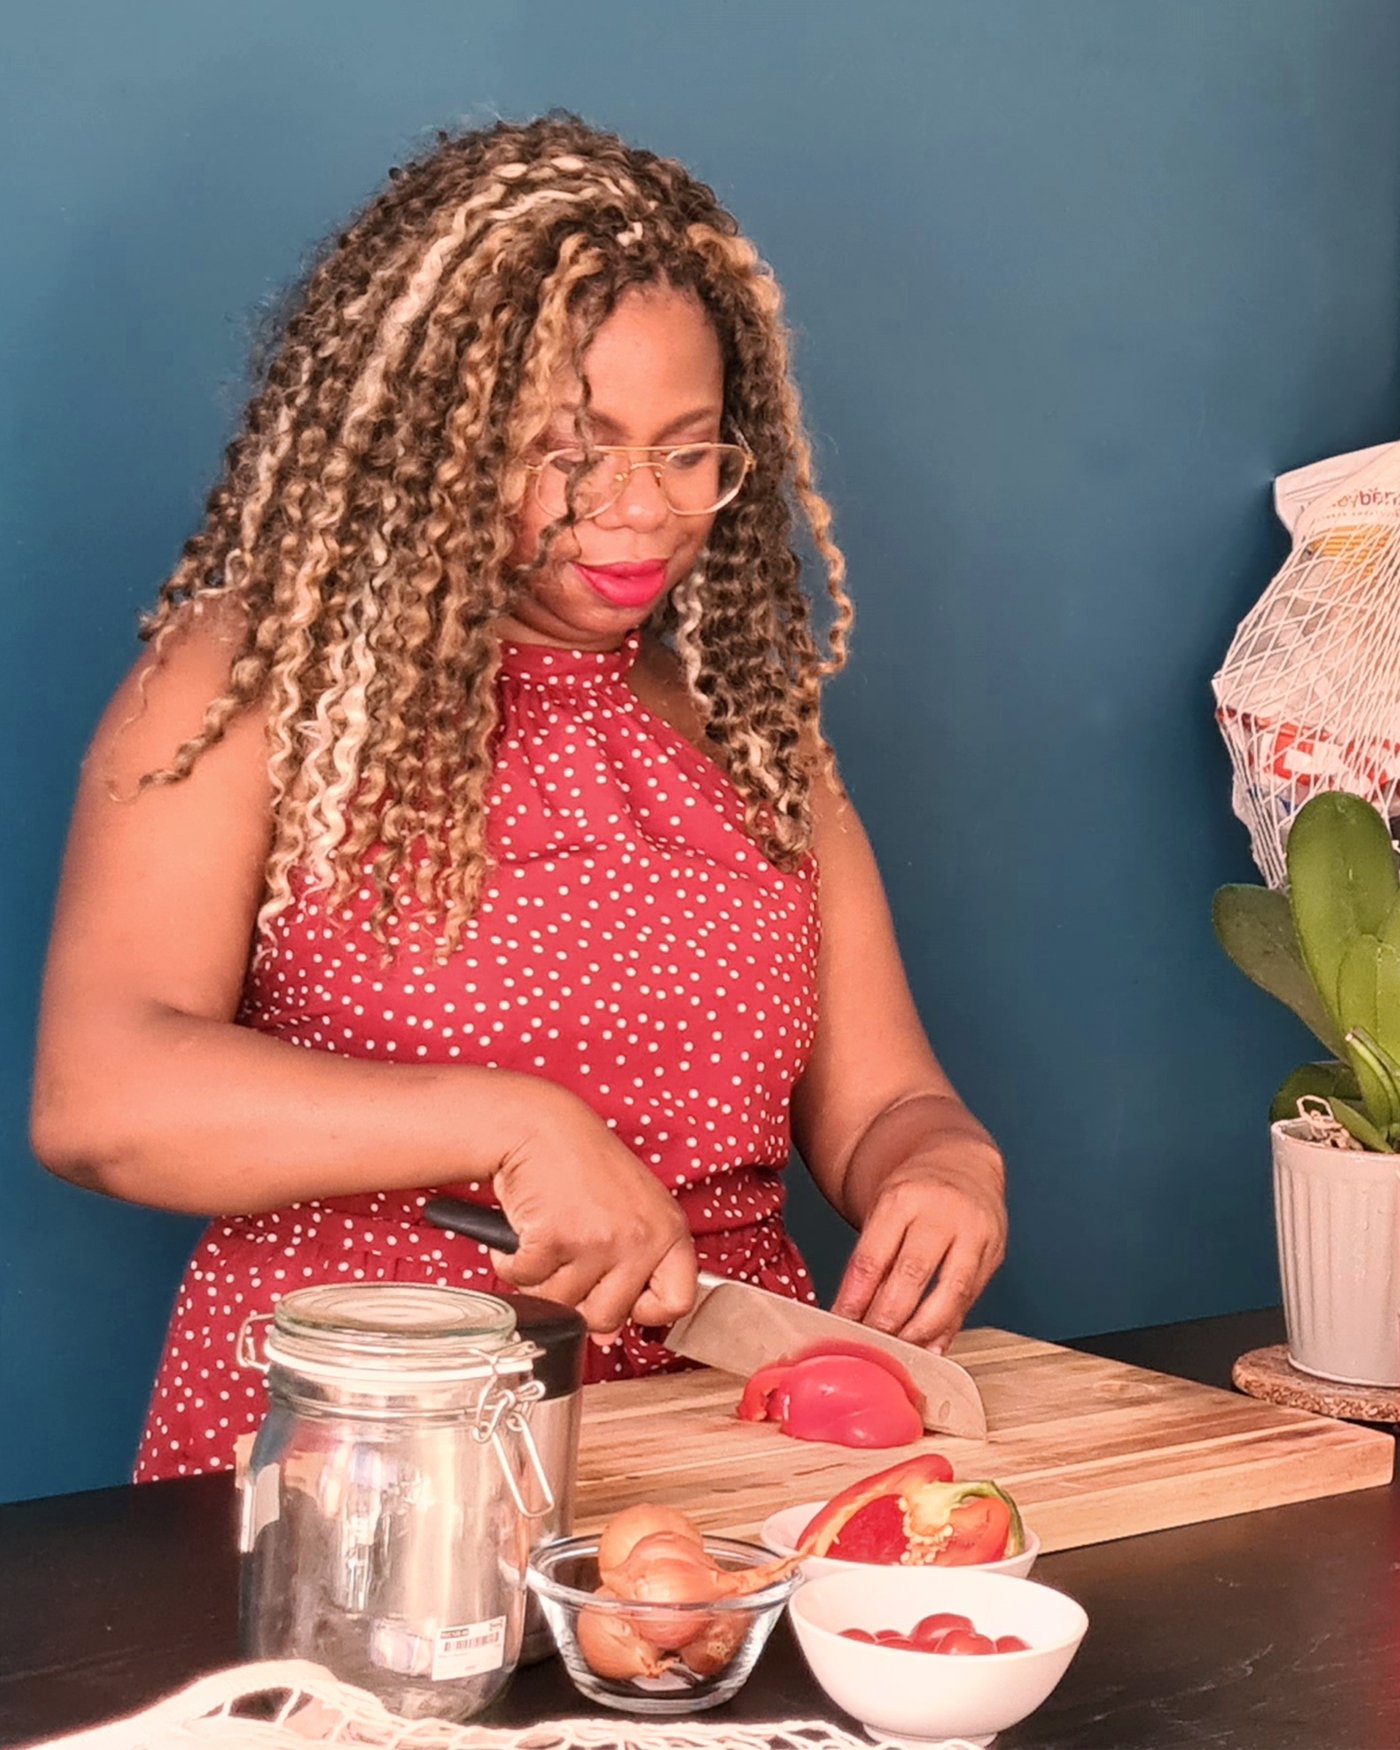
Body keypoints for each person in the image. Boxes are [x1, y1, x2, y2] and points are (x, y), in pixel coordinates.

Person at [31, 114, 1007, 1482]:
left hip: (711, 1461)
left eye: (688, 449)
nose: (642, 508)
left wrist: (945, 1165)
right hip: (357, 1454)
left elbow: (884, 1096)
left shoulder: (756, 730)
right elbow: (98, 1093)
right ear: (432, 435)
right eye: (572, 446)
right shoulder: (252, 684)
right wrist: (509, 1121)